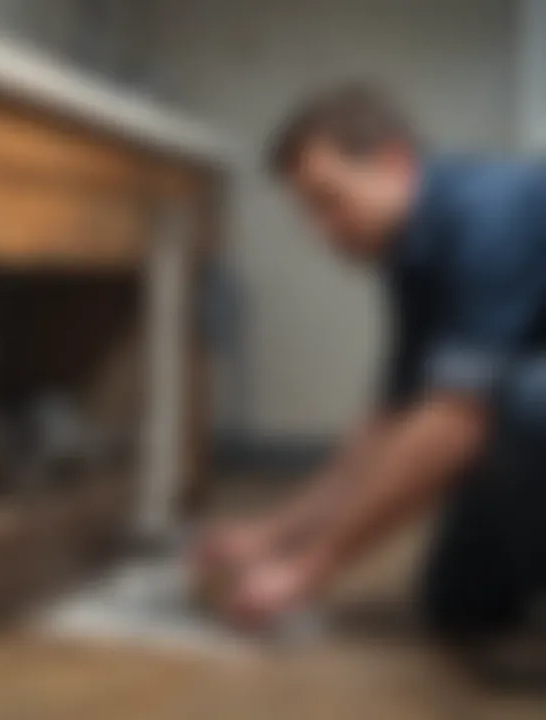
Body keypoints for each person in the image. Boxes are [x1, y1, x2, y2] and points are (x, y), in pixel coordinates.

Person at [192, 84, 546, 650]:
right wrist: (274, 535)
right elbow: (389, 422)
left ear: (394, 161)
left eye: (329, 200)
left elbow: (456, 422)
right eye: (308, 211)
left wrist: (309, 569)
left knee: (524, 404)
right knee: (458, 602)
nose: (321, 231)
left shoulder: (488, 214)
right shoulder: (410, 251)